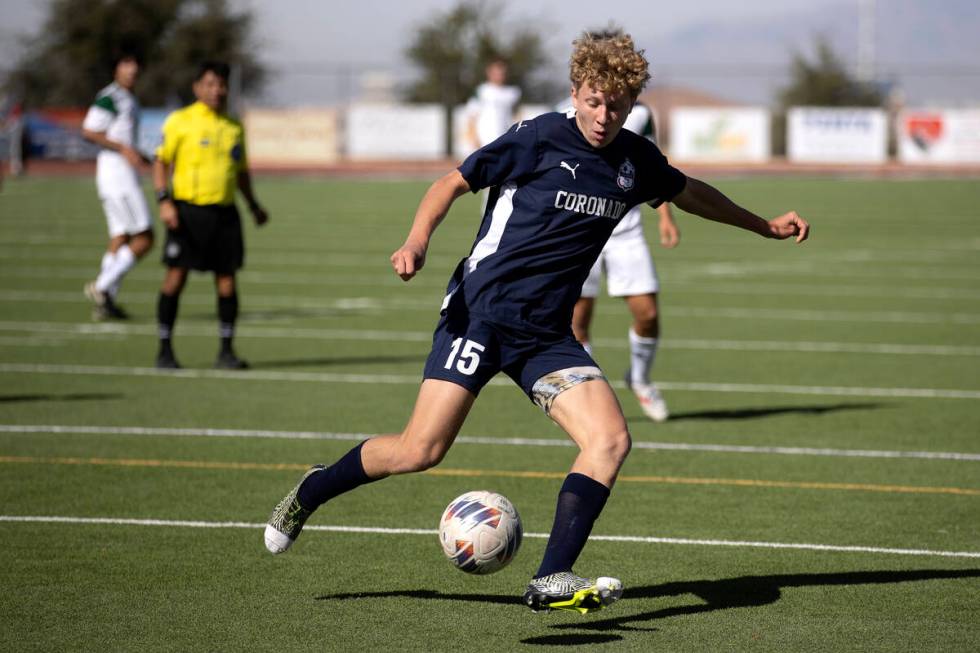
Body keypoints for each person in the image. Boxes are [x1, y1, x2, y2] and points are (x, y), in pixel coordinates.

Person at [263, 31, 809, 614]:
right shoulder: (540, 137)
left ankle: (552, 577)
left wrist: (764, 226)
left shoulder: (634, 160)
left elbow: (693, 192)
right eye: (594, 102)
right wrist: (416, 241)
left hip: (547, 337)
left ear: (632, 106)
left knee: (610, 440)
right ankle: (312, 489)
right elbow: (450, 183)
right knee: (420, 450)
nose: (603, 117)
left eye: (617, 106)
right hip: (480, 317)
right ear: (575, 92)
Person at [152, 61, 268, 370]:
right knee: (175, 278)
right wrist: (164, 201)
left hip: (225, 214)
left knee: (227, 282)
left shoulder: (233, 126)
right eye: (211, 84)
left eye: (222, 85)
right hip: (187, 212)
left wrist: (253, 206)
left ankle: (226, 351)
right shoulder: (180, 121)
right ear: (197, 87)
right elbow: (161, 162)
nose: (217, 90)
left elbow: (240, 172)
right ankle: (165, 349)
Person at [572, 99, 678, 422]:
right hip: (581, 231)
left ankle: (640, 379)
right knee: (578, 322)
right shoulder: (567, 108)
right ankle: (588, 397)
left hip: (626, 231)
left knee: (648, 313)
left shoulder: (641, 113)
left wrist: (665, 217)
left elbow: (655, 169)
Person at [81, 54, 154, 320]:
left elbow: (121, 135)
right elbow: (89, 130)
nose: (131, 73)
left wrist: (139, 154)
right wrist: (123, 149)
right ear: (116, 69)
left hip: (119, 171)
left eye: (135, 69)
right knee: (145, 237)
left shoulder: (129, 98)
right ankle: (101, 287)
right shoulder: (110, 96)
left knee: (120, 237)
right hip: (116, 173)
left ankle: (106, 303)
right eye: (126, 67)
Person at [464, 58, 522, 152]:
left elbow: (517, 116)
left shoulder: (513, 92)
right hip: (484, 138)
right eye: (496, 73)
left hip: (505, 137)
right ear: (489, 73)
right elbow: (471, 115)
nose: (499, 76)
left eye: (501, 73)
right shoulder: (481, 91)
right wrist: (473, 137)